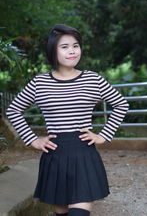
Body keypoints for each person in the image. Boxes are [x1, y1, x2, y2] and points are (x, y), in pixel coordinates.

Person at [6, 24, 129, 216]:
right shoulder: (39, 83)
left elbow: (121, 104)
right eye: (65, 47)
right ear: (53, 51)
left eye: (76, 45)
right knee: (61, 212)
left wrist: (104, 135)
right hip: (55, 155)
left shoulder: (93, 80)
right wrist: (33, 140)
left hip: (83, 153)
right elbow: (13, 110)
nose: (72, 51)